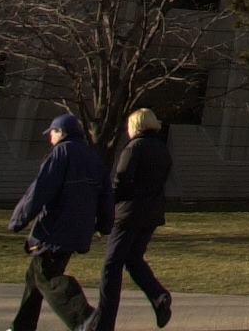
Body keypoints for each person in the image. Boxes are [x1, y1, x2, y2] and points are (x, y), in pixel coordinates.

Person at [7, 112, 114, 331]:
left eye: (52, 132)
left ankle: (83, 316)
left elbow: (40, 190)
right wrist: (104, 225)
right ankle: (22, 327)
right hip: (79, 230)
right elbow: (106, 195)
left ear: (62, 132)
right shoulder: (93, 157)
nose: (50, 137)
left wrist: (19, 219)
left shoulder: (61, 154)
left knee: (47, 276)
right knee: (34, 277)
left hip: (55, 229)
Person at [88, 108, 174, 330]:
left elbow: (121, 181)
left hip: (128, 214)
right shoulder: (162, 149)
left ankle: (104, 323)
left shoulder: (134, 147)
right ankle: (158, 296)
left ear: (135, 125)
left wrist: (105, 210)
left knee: (111, 267)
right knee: (134, 259)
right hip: (151, 214)